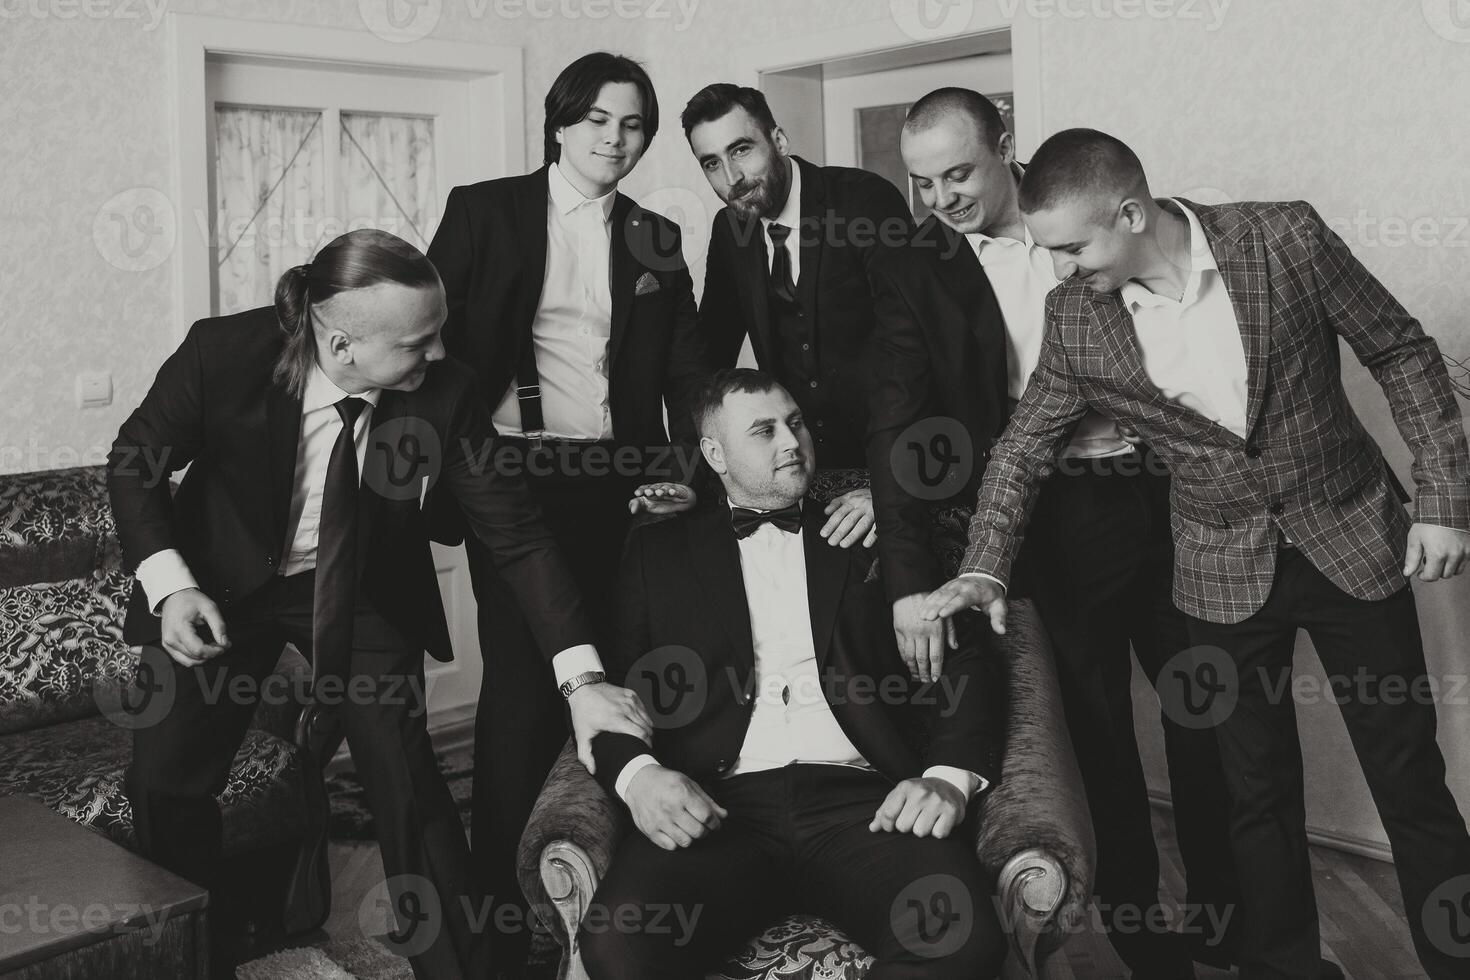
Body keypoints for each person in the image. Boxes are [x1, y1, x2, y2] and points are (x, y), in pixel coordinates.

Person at [924, 128, 1470, 980]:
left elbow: (1399, 348)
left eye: (1072, 247)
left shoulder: (1282, 238)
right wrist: (985, 562)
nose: (1061, 269)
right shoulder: (1076, 316)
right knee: (1254, 795)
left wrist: (1440, 499)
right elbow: (1023, 448)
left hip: (1352, 537)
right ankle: (1286, 967)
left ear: (1132, 212)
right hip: (1217, 571)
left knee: (1407, 778)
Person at [109, 229, 650, 979]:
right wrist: (170, 585)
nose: (435, 355)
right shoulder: (222, 353)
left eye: (439, 334)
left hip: (358, 586)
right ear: (340, 342)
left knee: (407, 784)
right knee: (168, 779)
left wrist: (583, 681)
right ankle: (192, 953)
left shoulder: (447, 391)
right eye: (418, 342)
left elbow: (518, 540)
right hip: (218, 585)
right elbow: (134, 460)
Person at [868, 90, 1240, 976]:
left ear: (1008, 146)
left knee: (1214, 716)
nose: (942, 199)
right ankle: (1151, 951)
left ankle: (1241, 935)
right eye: (922, 183)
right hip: (1054, 514)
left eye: (958, 172)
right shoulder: (916, 264)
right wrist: (909, 577)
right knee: (1102, 738)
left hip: (1173, 490)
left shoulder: (1090, 200)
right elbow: (897, 425)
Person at [578, 368, 1007, 980]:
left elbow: (968, 663)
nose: (792, 442)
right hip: (719, 807)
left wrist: (946, 779)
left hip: (865, 803)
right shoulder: (657, 551)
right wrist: (639, 777)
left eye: (796, 423)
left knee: (958, 937)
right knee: (618, 944)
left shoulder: (873, 533)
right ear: (713, 454)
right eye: (764, 430)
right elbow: (609, 692)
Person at [425, 52, 707, 972]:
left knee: (621, 669)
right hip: (512, 477)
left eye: (631, 126)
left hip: (623, 483)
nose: (613, 141)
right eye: (596, 121)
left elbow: (686, 374)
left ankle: (604, 882)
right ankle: (500, 920)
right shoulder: (486, 209)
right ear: (558, 122)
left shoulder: (658, 238)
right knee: (524, 690)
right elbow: (433, 347)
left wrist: (687, 471)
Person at [683, 82, 914, 548]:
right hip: (798, 473)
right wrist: (695, 473)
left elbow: (916, 347)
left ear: (780, 141)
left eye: (742, 149)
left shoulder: (864, 202)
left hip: (890, 469)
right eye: (711, 163)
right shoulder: (730, 229)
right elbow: (710, 354)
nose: (732, 176)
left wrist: (893, 485)